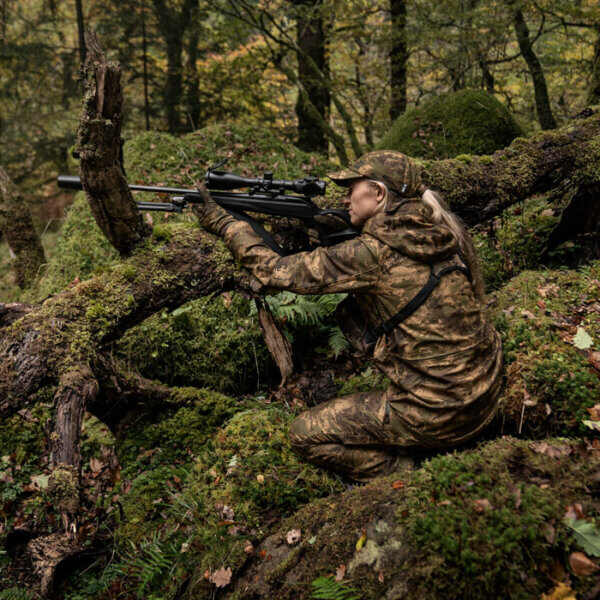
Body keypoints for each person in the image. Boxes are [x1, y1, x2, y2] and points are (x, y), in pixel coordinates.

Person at [197, 150, 503, 482]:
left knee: (303, 434)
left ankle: (410, 476)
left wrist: (226, 224)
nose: (345, 198)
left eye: (352, 188)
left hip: (437, 415)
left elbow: (276, 271)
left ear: (379, 193)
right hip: (484, 396)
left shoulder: (370, 254)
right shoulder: (442, 234)